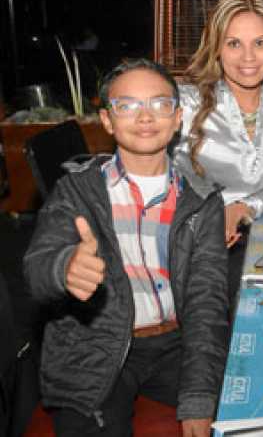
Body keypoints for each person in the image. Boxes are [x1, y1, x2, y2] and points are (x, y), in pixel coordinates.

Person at [23, 58, 229, 437]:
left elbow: (206, 302)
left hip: (176, 340)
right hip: (94, 343)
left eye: (159, 104)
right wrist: (64, 268)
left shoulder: (202, 201)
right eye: (127, 105)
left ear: (178, 117)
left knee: (244, 410)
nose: (145, 116)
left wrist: (199, 397)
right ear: (107, 121)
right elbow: (37, 266)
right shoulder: (76, 191)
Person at [174, 0, 263, 302]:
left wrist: (246, 207)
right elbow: (164, 183)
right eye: (234, 43)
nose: (248, 57)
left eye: (259, 43)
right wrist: (213, 216)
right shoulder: (187, 105)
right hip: (197, 247)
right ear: (216, 48)